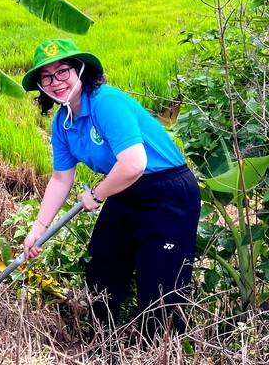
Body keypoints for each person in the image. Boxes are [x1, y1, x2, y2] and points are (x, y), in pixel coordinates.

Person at [20, 38, 200, 336]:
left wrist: (96, 194)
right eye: (47, 77)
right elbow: (61, 178)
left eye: (63, 71)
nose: (56, 82)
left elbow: (134, 163)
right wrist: (38, 228)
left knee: (160, 286)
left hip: (166, 192)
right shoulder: (63, 122)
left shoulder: (106, 103)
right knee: (102, 268)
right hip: (124, 190)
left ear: (80, 70)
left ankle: (159, 348)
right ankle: (103, 343)